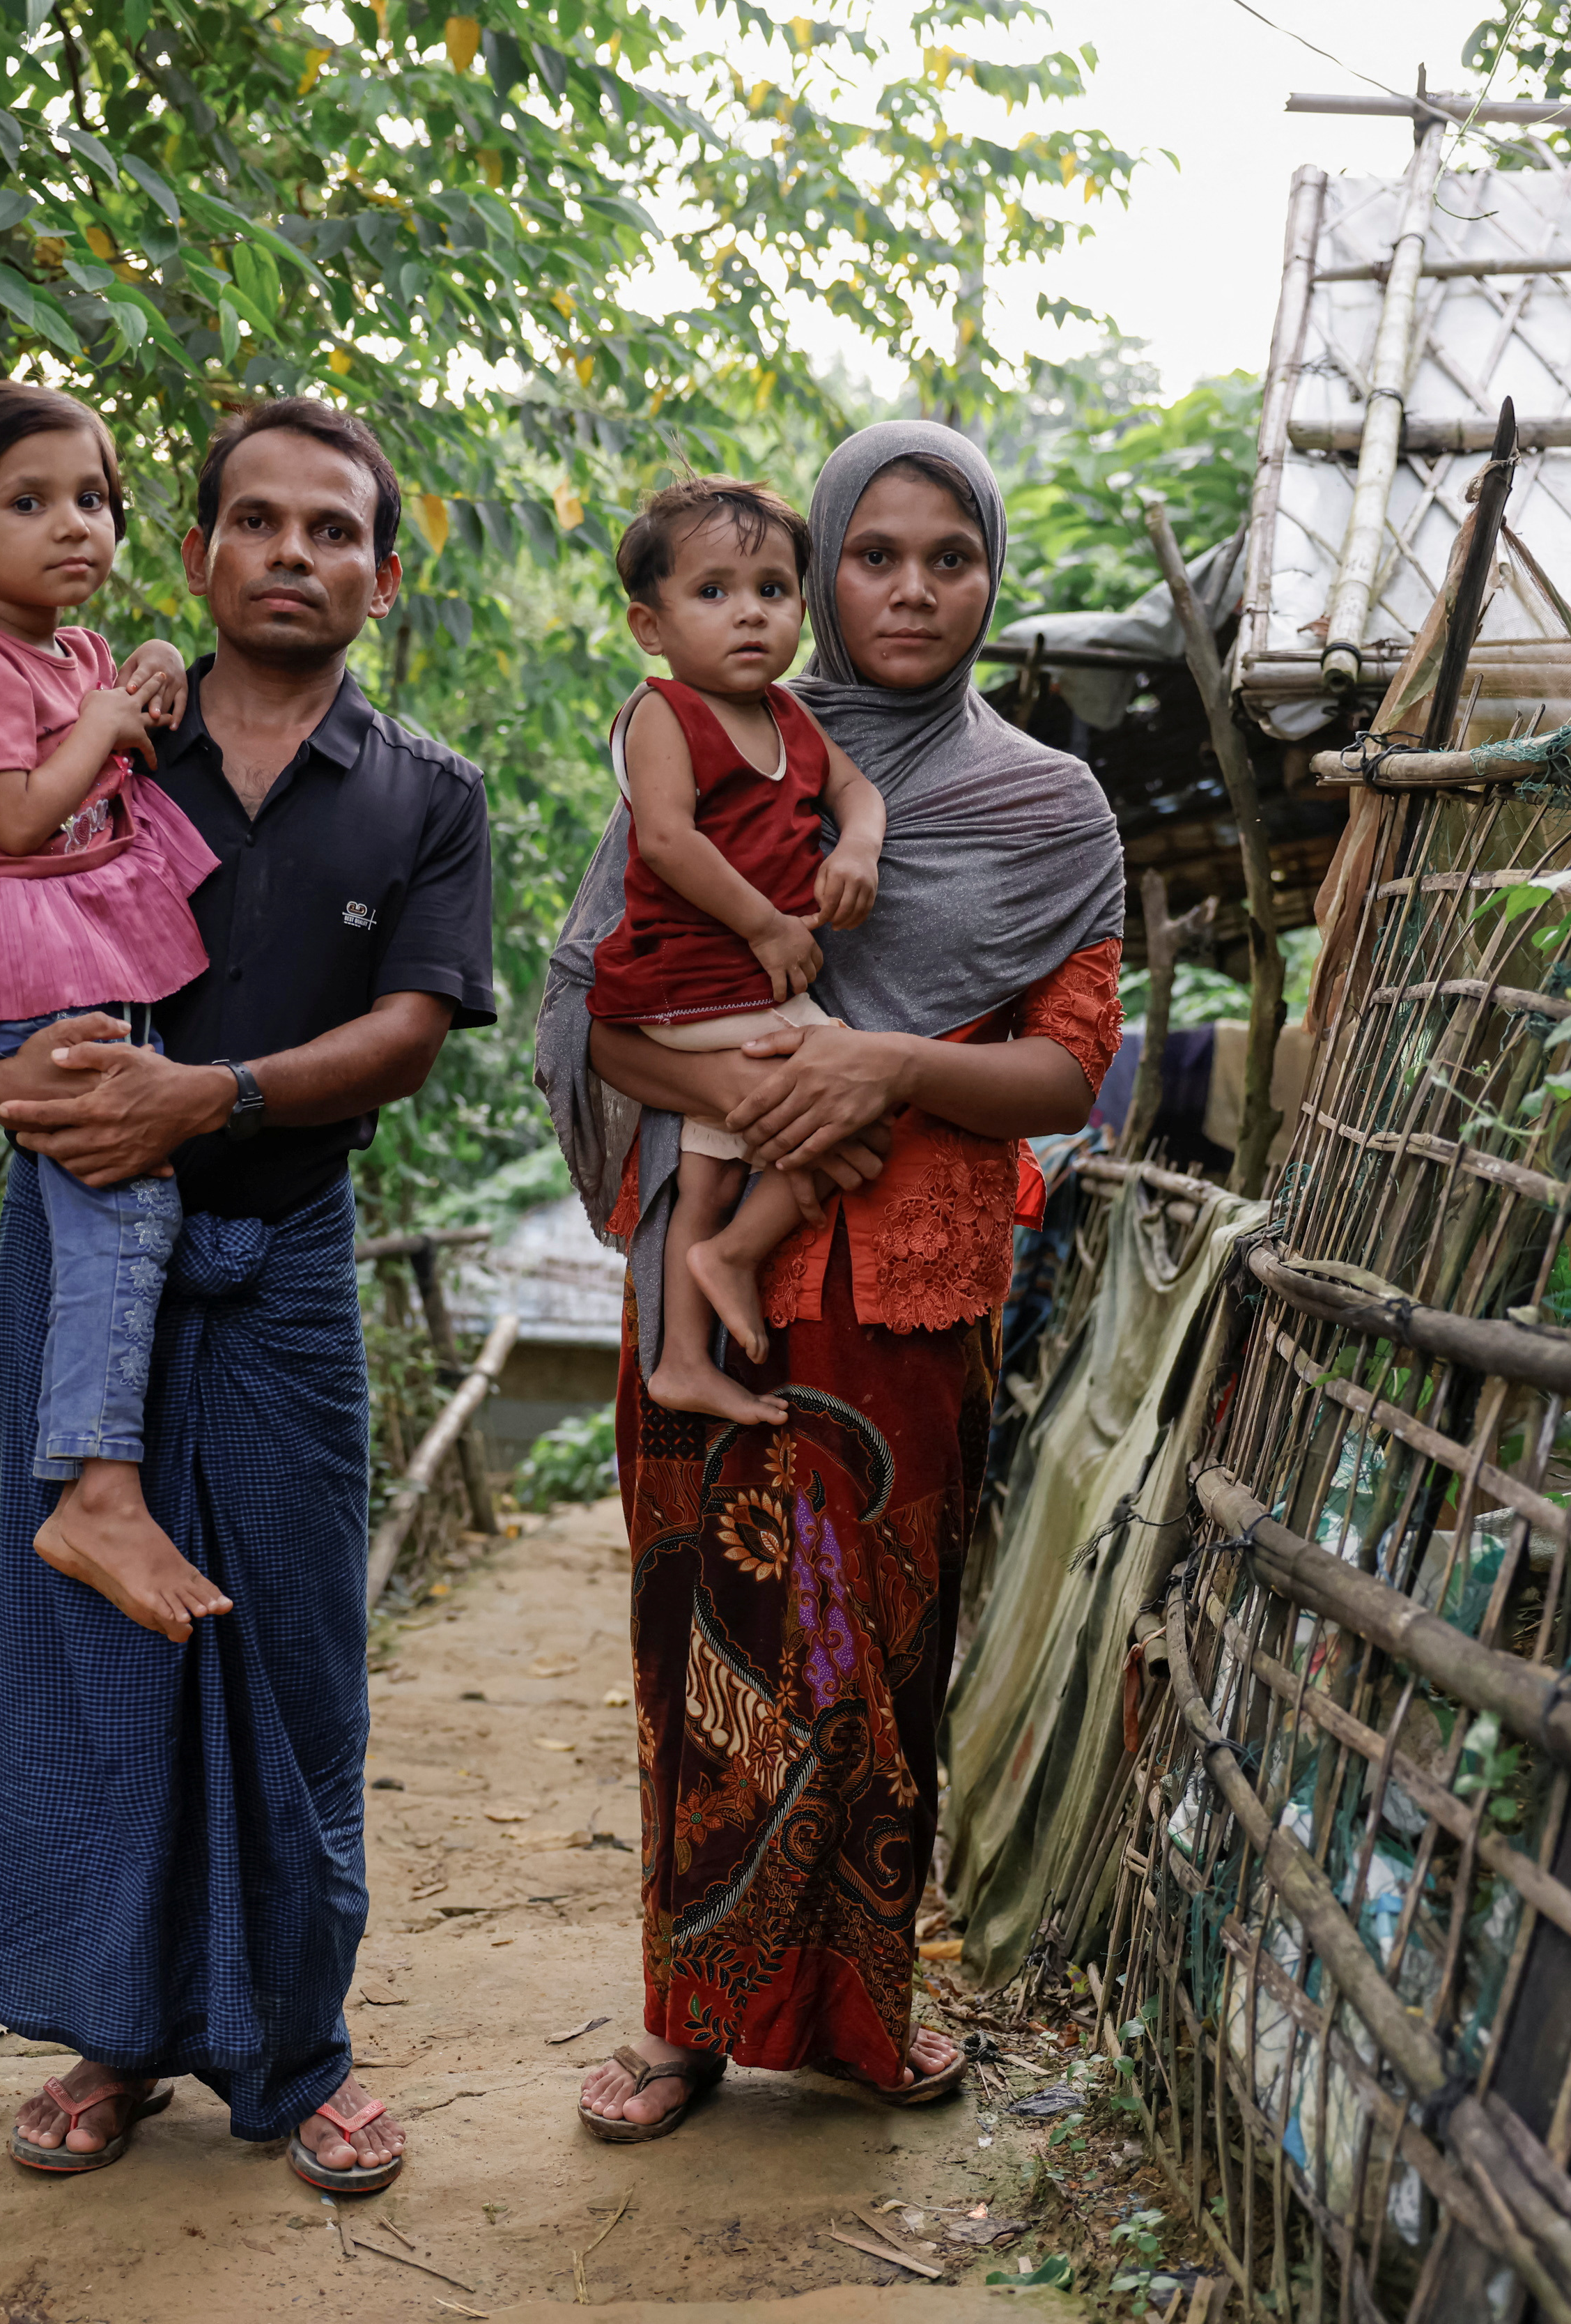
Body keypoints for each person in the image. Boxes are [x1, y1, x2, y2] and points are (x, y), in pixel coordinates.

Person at [534, 421, 1127, 2143]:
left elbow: (1066, 1074)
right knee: (705, 1645)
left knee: (870, 1659)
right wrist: (748, 1091)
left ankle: (866, 2017)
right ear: (818, 573)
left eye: (952, 556)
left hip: (906, 1285)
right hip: (712, 1278)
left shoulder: (1041, 803)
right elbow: (605, 1015)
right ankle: (686, 2022)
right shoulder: (709, 767)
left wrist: (887, 1068)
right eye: (875, 554)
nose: (914, 589)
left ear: (993, 574)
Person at [0, 397, 496, 2198]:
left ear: (382, 575)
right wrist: (18, 1090)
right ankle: (116, 2042)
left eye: (331, 529)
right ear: (198, 559)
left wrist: (216, 1099)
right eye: (254, 522)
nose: (292, 552)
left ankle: (301, 2051)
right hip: (90, 1253)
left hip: (284, 1274)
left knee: (296, 1655)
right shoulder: (114, 745)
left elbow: (412, 1035)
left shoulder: (426, 794)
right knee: (102, 1658)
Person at [0, 380, 233, 1647]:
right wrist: (98, 719)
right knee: (126, 1194)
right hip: (21, 944)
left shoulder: (71, 652)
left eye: (92, 499)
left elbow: (120, 726)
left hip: (75, 940)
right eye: (28, 503)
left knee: (126, 1194)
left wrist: (136, 673)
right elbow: (21, 820)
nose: (73, 525)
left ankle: (101, 1479)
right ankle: (95, 1489)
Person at [587, 477, 885, 1427]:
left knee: (709, 1172)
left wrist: (860, 848)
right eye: (712, 592)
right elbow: (669, 841)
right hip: (688, 981)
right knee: (846, 1103)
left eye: (772, 589)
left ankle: (682, 1358)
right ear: (651, 624)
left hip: (733, 989)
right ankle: (735, 1257)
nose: (749, 613)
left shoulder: (793, 720)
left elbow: (861, 796)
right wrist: (765, 924)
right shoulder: (665, 716)